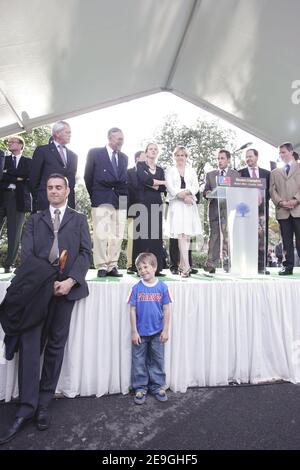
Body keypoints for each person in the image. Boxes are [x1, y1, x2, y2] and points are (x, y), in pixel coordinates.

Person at [0, 174, 91, 445]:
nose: (54, 191)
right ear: (46, 192)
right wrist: (47, 282)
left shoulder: (78, 219)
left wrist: (70, 280)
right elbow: (27, 256)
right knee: (30, 347)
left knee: (55, 347)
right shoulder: (34, 220)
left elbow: (86, 253)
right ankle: (25, 408)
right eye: (50, 188)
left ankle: (43, 404)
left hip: (67, 290)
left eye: (58, 187)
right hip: (37, 292)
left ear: (67, 191)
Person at [84, 127, 128, 277]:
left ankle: (112, 265)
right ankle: (102, 266)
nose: (121, 141)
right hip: (101, 197)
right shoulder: (95, 153)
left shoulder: (124, 157)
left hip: (120, 199)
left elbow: (123, 179)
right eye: (119, 139)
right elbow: (87, 177)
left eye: (122, 139)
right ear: (110, 138)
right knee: (101, 234)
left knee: (118, 235)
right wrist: (95, 196)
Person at [128, 252, 171, 405]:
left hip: (157, 332)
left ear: (154, 267)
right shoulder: (136, 288)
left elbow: (166, 309)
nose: (142, 271)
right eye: (139, 268)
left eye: (145, 267)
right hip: (140, 333)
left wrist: (165, 330)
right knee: (139, 360)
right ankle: (140, 387)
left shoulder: (162, 287)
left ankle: (158, 386)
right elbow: (132, 310)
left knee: (157, 360)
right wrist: (134, 331)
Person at [165, 146, 201, 277]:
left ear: (186, 157)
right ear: (174, 157)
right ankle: (186, 267)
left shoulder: (192, 171)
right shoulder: (170, 170)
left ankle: (184, 266)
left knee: (187, 236)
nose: (180, 157)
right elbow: (170, 187)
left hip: (189, 205)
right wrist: (182, 196)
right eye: (178, 155)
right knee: (181, 235)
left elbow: (195, 187)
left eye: (183, 155)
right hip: (177, 205)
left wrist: (188, 194)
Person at [203, 150, 239, 273]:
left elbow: (239, 193)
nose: (219, 161)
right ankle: (211, 264)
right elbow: (206, 190)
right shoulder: (210, 174)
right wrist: (207, 193)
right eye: (218, 158)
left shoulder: (235, 175)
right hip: (214, 210)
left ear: (228, 160)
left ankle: (228, 264)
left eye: (222, 158)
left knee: (228, 237)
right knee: (214, 237)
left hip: (229, 211)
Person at [29, 121, 78, 211]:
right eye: (67, 132)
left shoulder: (73, 156)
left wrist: (71, 204)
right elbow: (33, 178)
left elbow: (71, 183)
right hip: (45, 203)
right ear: (58, 133)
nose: (70, 135)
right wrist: (40, 197)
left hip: (66, 205)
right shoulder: (42, 151)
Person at [0, 135, 32, 273]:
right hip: (2, 196)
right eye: (8, 142)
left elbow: (27, 175)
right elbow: (1, 175)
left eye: (13, 142)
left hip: (18, 199)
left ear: (20, 145)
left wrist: (8, 174)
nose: (9, 143)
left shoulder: (28, 161)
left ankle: (8, 264)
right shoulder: (3, 159)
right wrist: (18, 177)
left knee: (14, 233)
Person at [133, 143, 166, 275]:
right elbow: (144, 179)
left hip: (156, 204)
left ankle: (155, 268)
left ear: (157, 153)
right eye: (150, 149)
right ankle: (139, 268)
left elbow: (162, 189)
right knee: (142, 236)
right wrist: (162, 182)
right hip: (142, 204)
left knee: (155, 236)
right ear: (146, 152)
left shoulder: (160, 170)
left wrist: (151, 183)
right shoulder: (140, 165)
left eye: (155, 149)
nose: (153, 151)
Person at [238, 148, 270, 274]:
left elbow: (270, 191)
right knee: (248, 237)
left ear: (257, 157)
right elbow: (238, 191)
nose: (248, 159)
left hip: (262, 211)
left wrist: (262, 198)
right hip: (246, 212)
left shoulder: (267, 173)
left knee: (262, 238)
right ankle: (248, 265)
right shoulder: (240, 173)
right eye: (246, 157)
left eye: (250, 156)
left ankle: (262, 266)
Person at [270, 142, 300, 275]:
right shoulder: (275, 172)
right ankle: (287, 267)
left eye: (283, 152)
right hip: (283, 211)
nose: (281, 155)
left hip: (298, 209)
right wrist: (281, 202)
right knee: (286, 241)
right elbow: (272, 190)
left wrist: (296, 200)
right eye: (279, 153)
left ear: (291, 152)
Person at [126, 150, 146, 274]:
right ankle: (130, 265)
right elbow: (126, 192)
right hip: (133, 209)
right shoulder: (129, 172)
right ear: (137, 159)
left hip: (149, 210)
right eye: (144, 157)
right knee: (132, 239)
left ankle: (144, 266)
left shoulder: (149, 172)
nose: (147, 159)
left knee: (145, 239)